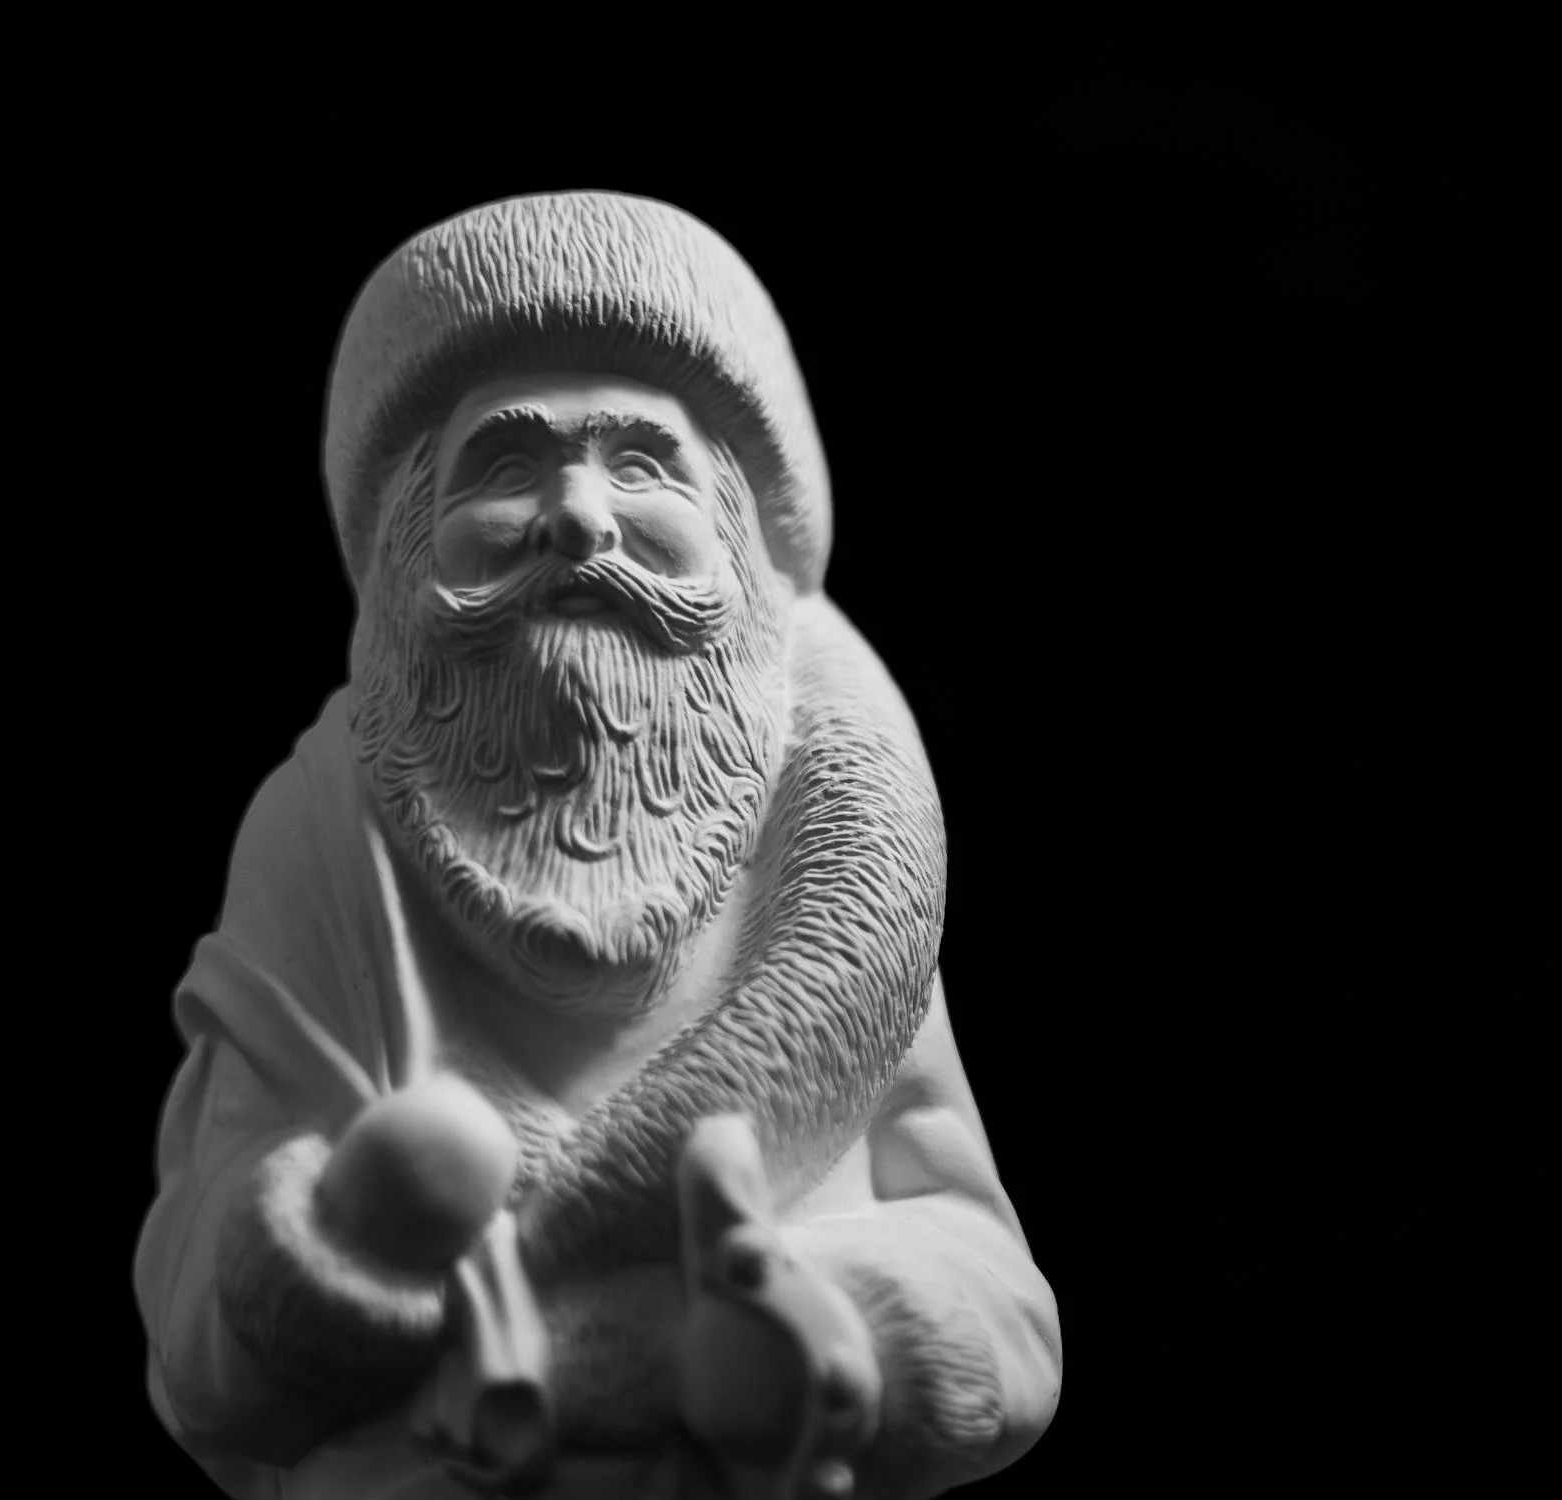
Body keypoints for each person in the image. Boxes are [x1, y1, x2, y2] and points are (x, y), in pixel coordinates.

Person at [135, 192, 1061, 1500]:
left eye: (642, 465)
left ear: (734, 533)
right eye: (506, 466)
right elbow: (200, 1352)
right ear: (409, 538)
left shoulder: (840, 857)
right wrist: (335, 1246)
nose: (579, 516)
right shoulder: (324, 830)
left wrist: (818, 1326)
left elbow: (995, 1295)